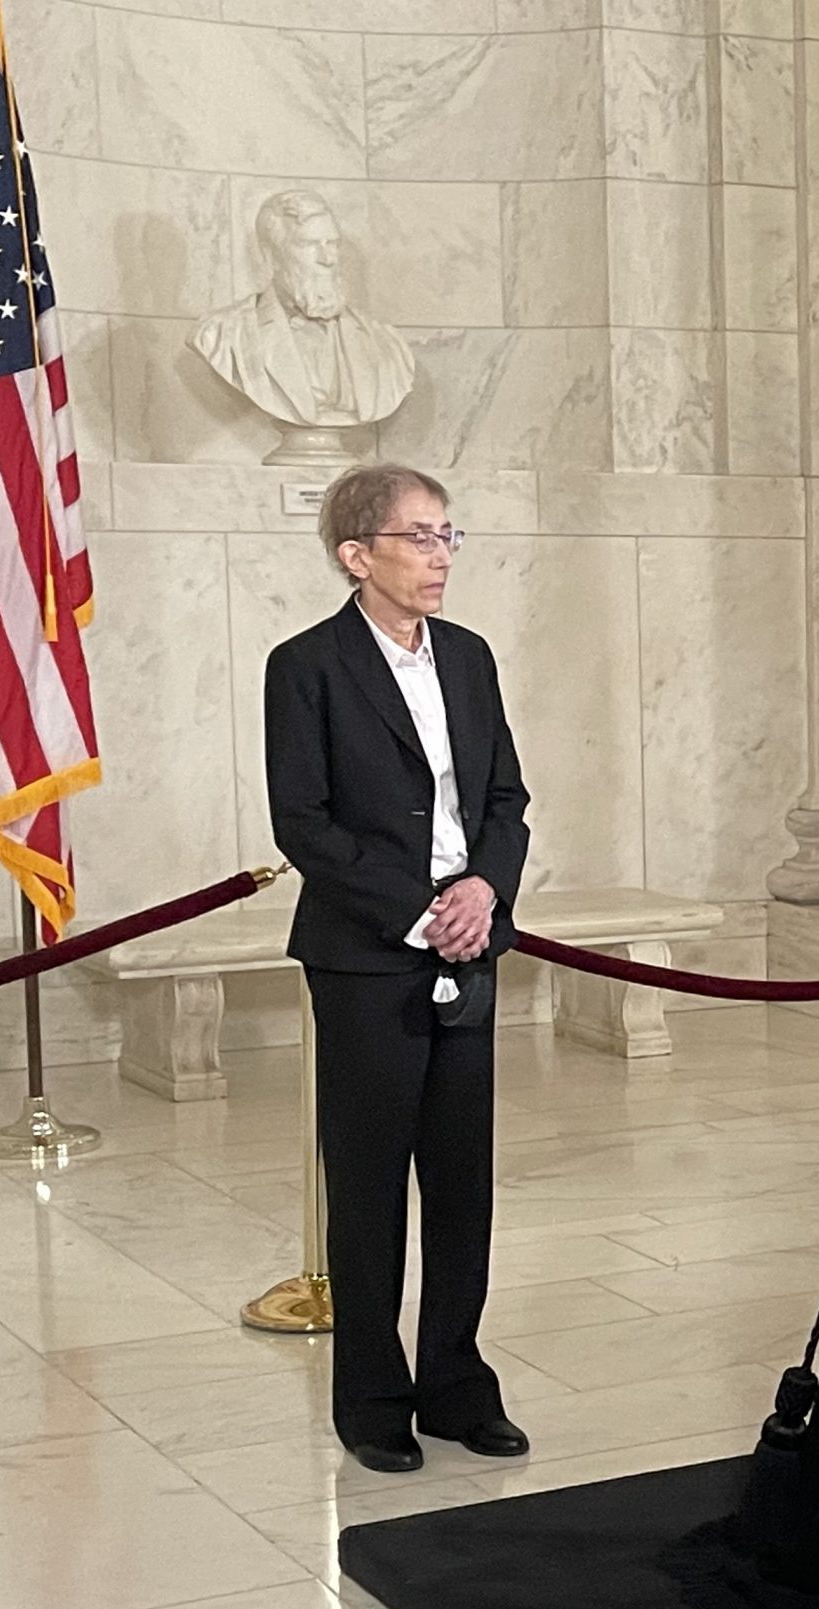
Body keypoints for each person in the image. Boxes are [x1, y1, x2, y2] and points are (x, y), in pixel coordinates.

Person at [263, 465, 531, 1474]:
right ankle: (373, 1398)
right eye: (419, 537)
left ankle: (457, 1384)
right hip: (367, 959)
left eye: (449, 536)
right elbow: (305, 823)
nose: (440, 557)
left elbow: (504, 798)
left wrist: (483, 894)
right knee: (371, 1184)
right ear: (356, 554)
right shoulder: (308, 666)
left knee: (462, 1180)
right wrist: (418, 909)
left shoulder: (468, 658)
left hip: (471, 945)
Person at [189, 190, 417, 431]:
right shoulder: (223, 334)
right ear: (271, 256)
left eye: (332, 244)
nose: (328, 258)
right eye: (309, 245)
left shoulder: (386, 343)